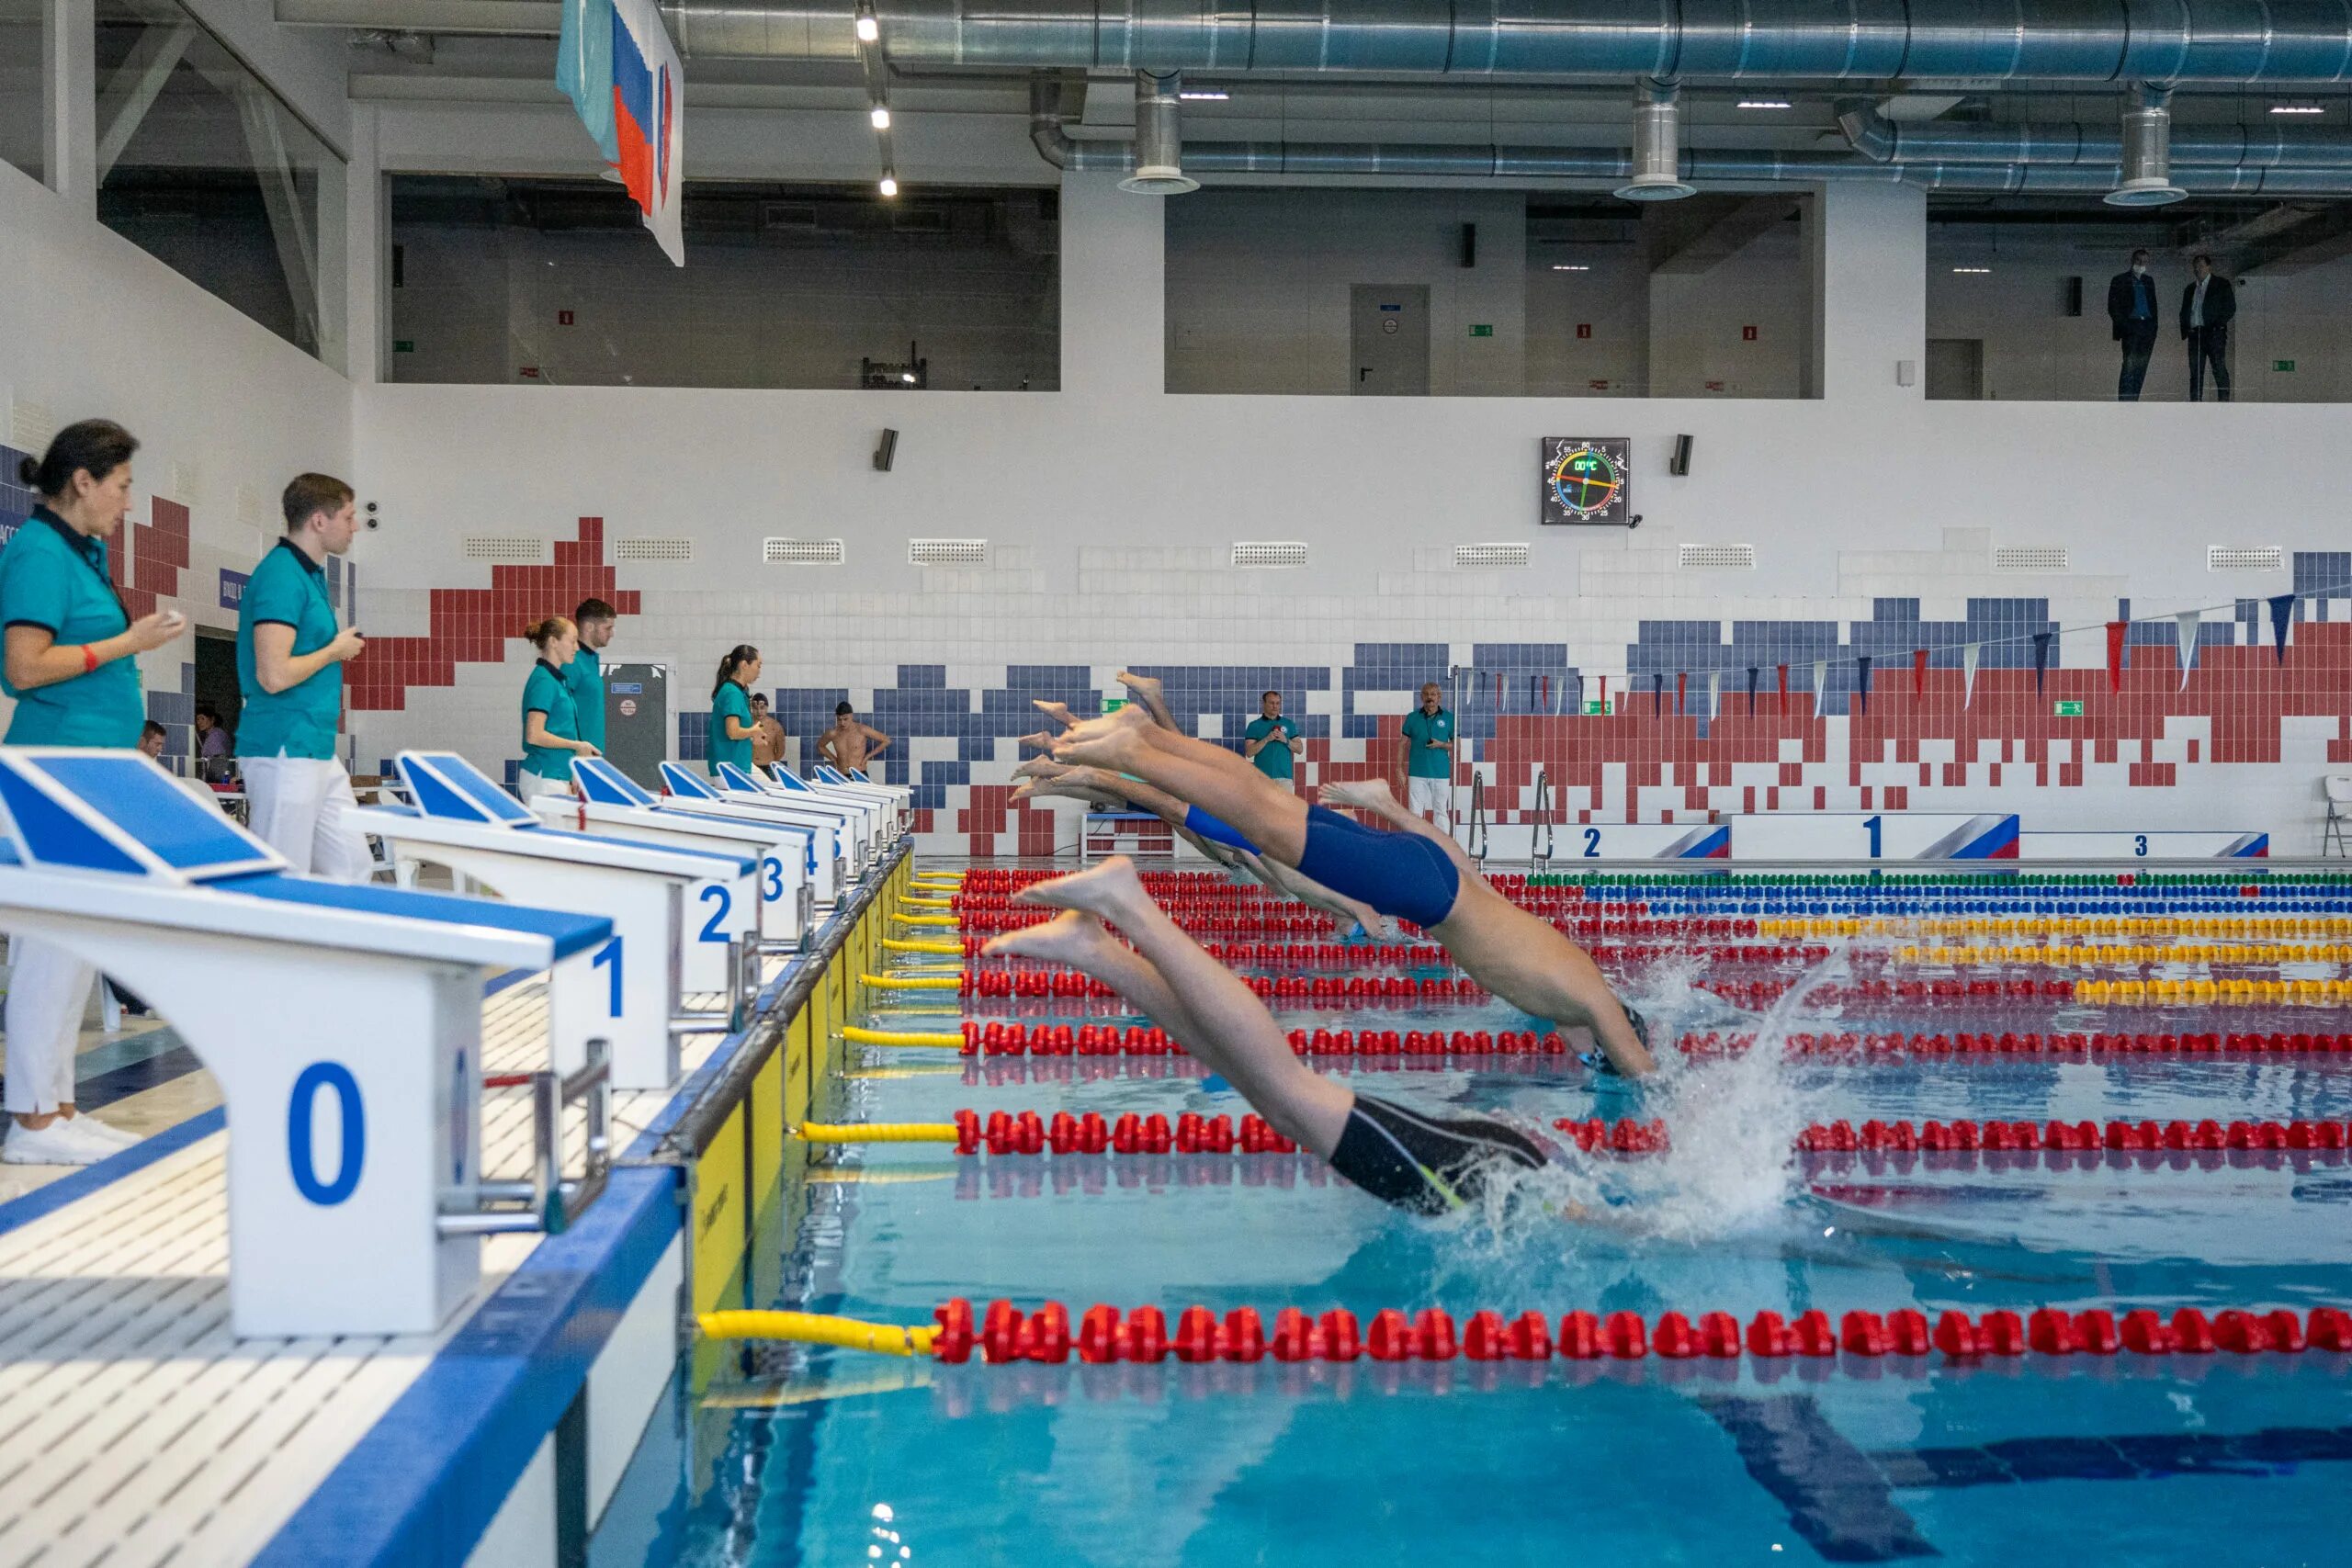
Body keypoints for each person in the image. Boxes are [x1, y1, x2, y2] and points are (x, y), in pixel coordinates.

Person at [1035, 694, 1656, 1076]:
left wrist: (1395, 814)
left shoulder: (1571, 982)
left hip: (1433, 874)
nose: (1580, 1057)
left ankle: (1147, 734)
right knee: (1267, 823)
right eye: (1592, 1055)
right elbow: (1638, 1062)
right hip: (1422, 891)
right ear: (1603, 1041)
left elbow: (1473, 875)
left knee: (1269, 806)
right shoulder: (1590, 1000)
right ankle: (1135, 752)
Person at [987, 861, 1550, 1214]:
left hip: (1493, 1176)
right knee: (1286, 1089)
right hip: (1491, 1173)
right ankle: (1131, 908)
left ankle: (1098, 950)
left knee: (1271, 1094)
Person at [1, 419, 188, 1165]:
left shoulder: (84, 550)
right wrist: (127, 643)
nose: (129, 499)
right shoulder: (39, 552)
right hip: (54, 771)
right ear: (82, 480)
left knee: (76, 944)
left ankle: (59, 1108)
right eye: (121, 484)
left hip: (93, 770)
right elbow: (23, 668)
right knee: (52, 945)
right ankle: (31, 1120)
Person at [236, 473, 369, 879]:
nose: (356, 526)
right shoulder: (280, 575)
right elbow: (273, 675)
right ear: (318, 521)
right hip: (282, 744)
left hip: (314, 744)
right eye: (348, 517)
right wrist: (333, 651)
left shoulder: (309, 574)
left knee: (352, 867)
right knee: (283, 877)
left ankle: (339, 943)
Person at [519, 616, 597, 800]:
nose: (577, 648)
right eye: (572, 641)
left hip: (556, 776)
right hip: (544, 776)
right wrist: (577, 746)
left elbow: (562, 730)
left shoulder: (557, 681)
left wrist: (572, 771)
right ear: (554, 642)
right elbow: (534, 734)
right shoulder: (544, 681)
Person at [1399, 682, 1455, 834]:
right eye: (1426, 694)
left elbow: (1456, 746)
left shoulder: (1450, 718)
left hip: (1440, 773)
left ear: (1439, 697)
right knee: (1415, 813)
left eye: (1433, 694)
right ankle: (1416, 845)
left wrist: (1441, 744)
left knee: (1441, 811)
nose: (1429, 697)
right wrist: (1399, 769)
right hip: (1417, 772)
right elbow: (1402, 744)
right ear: (1421, 696)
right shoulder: (1412, 717)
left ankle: (1443, 847)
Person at [564, 596, 616, 760]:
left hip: (591, 757)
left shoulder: (591, 660)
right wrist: (575, 750)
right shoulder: (572, 661)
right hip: (575, 758)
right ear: (589, 627)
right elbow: (559, 711)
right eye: (607, 628)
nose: (612, 634)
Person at [2107, 248, 2162, 401]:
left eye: (2145, 262)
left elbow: (2154, 305)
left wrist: (2154, 328)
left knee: (2141, 367)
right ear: (2132, 261)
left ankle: (2134, 399)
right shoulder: (2120, 280)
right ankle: (2125, 400)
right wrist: (2124, 326)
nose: (2141, 264)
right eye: (2139, 261)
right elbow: (2113, 307)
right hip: (2131, 326)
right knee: (2129, 365)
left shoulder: (2148, 281)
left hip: (2147, 327)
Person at [2180, 253, 2236, 403]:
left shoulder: (2221, 284)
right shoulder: (2190, 289)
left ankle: (2224, 403)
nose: (2198, 269)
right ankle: (2195, 403)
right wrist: (2186, 329)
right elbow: (2185, 310)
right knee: (2195, 372)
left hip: (2213, 332)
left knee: (2218, 368)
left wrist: (2217, 325)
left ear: (2209, 267)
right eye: (2196, 266)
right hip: (2195, 333)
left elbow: (2230, 308)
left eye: (2201, 266)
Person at [708, 645, 761, 774]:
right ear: (744, 665)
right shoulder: (732, 693)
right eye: (758, 665)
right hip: (731, 770)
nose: (759, 671)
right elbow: (733, 732)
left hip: (735, 766)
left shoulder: (739, 692)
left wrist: (753, 734)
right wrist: (753, 731)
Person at [819, 701, 891, 774]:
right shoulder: (833, 733)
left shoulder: (862, 730)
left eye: (845, 719)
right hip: (841, 774)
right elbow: (820, 746)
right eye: (839, 720)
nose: (842, 723)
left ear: (851, 716)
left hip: (859, 773)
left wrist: (867, 757)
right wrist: (833, 759)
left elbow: (886, 740)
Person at [1242, 690, 1299, 784]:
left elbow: (1299, 749)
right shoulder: (1254, 725)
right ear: (1263, 703)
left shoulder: (1289, 724)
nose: (1275, 706)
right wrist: (1266, 739)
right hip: (1262, 778)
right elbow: (1249, 752)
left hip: (1284, 778)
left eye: (1277, 703)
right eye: (1271, 703)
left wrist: (1286, 740)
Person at [749, 692, 789, 769]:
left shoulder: (776, 726)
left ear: (767, 708)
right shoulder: (746, 724)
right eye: (755, 708)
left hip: (769, 766)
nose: (759, 711)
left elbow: (781, 750)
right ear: (752, 708)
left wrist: (771, 764)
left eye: (762, 708)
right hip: (750, 766)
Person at [193, 700, 232, 780]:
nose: (199, 722)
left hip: (218, 777)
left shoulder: (215, 735)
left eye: (202, 718)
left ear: (212, 720)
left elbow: (218, 761)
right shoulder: (214, 733)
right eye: (198, 719)